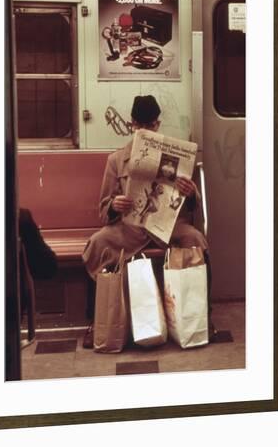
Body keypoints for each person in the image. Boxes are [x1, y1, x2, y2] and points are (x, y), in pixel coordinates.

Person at [82, 95, 216, 348]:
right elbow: (104, 207)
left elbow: (191, 205)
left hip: (168, 227)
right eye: (140, 125)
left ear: (158, 124)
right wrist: (115, 205)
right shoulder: (116, 160)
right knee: (98, 243)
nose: (145, 130)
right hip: (130, 227)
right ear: (133, 124)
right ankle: (95, 320)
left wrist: (190, 192)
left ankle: (204, 317)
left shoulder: (176, 154)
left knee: (196, 240)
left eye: (150, 125)